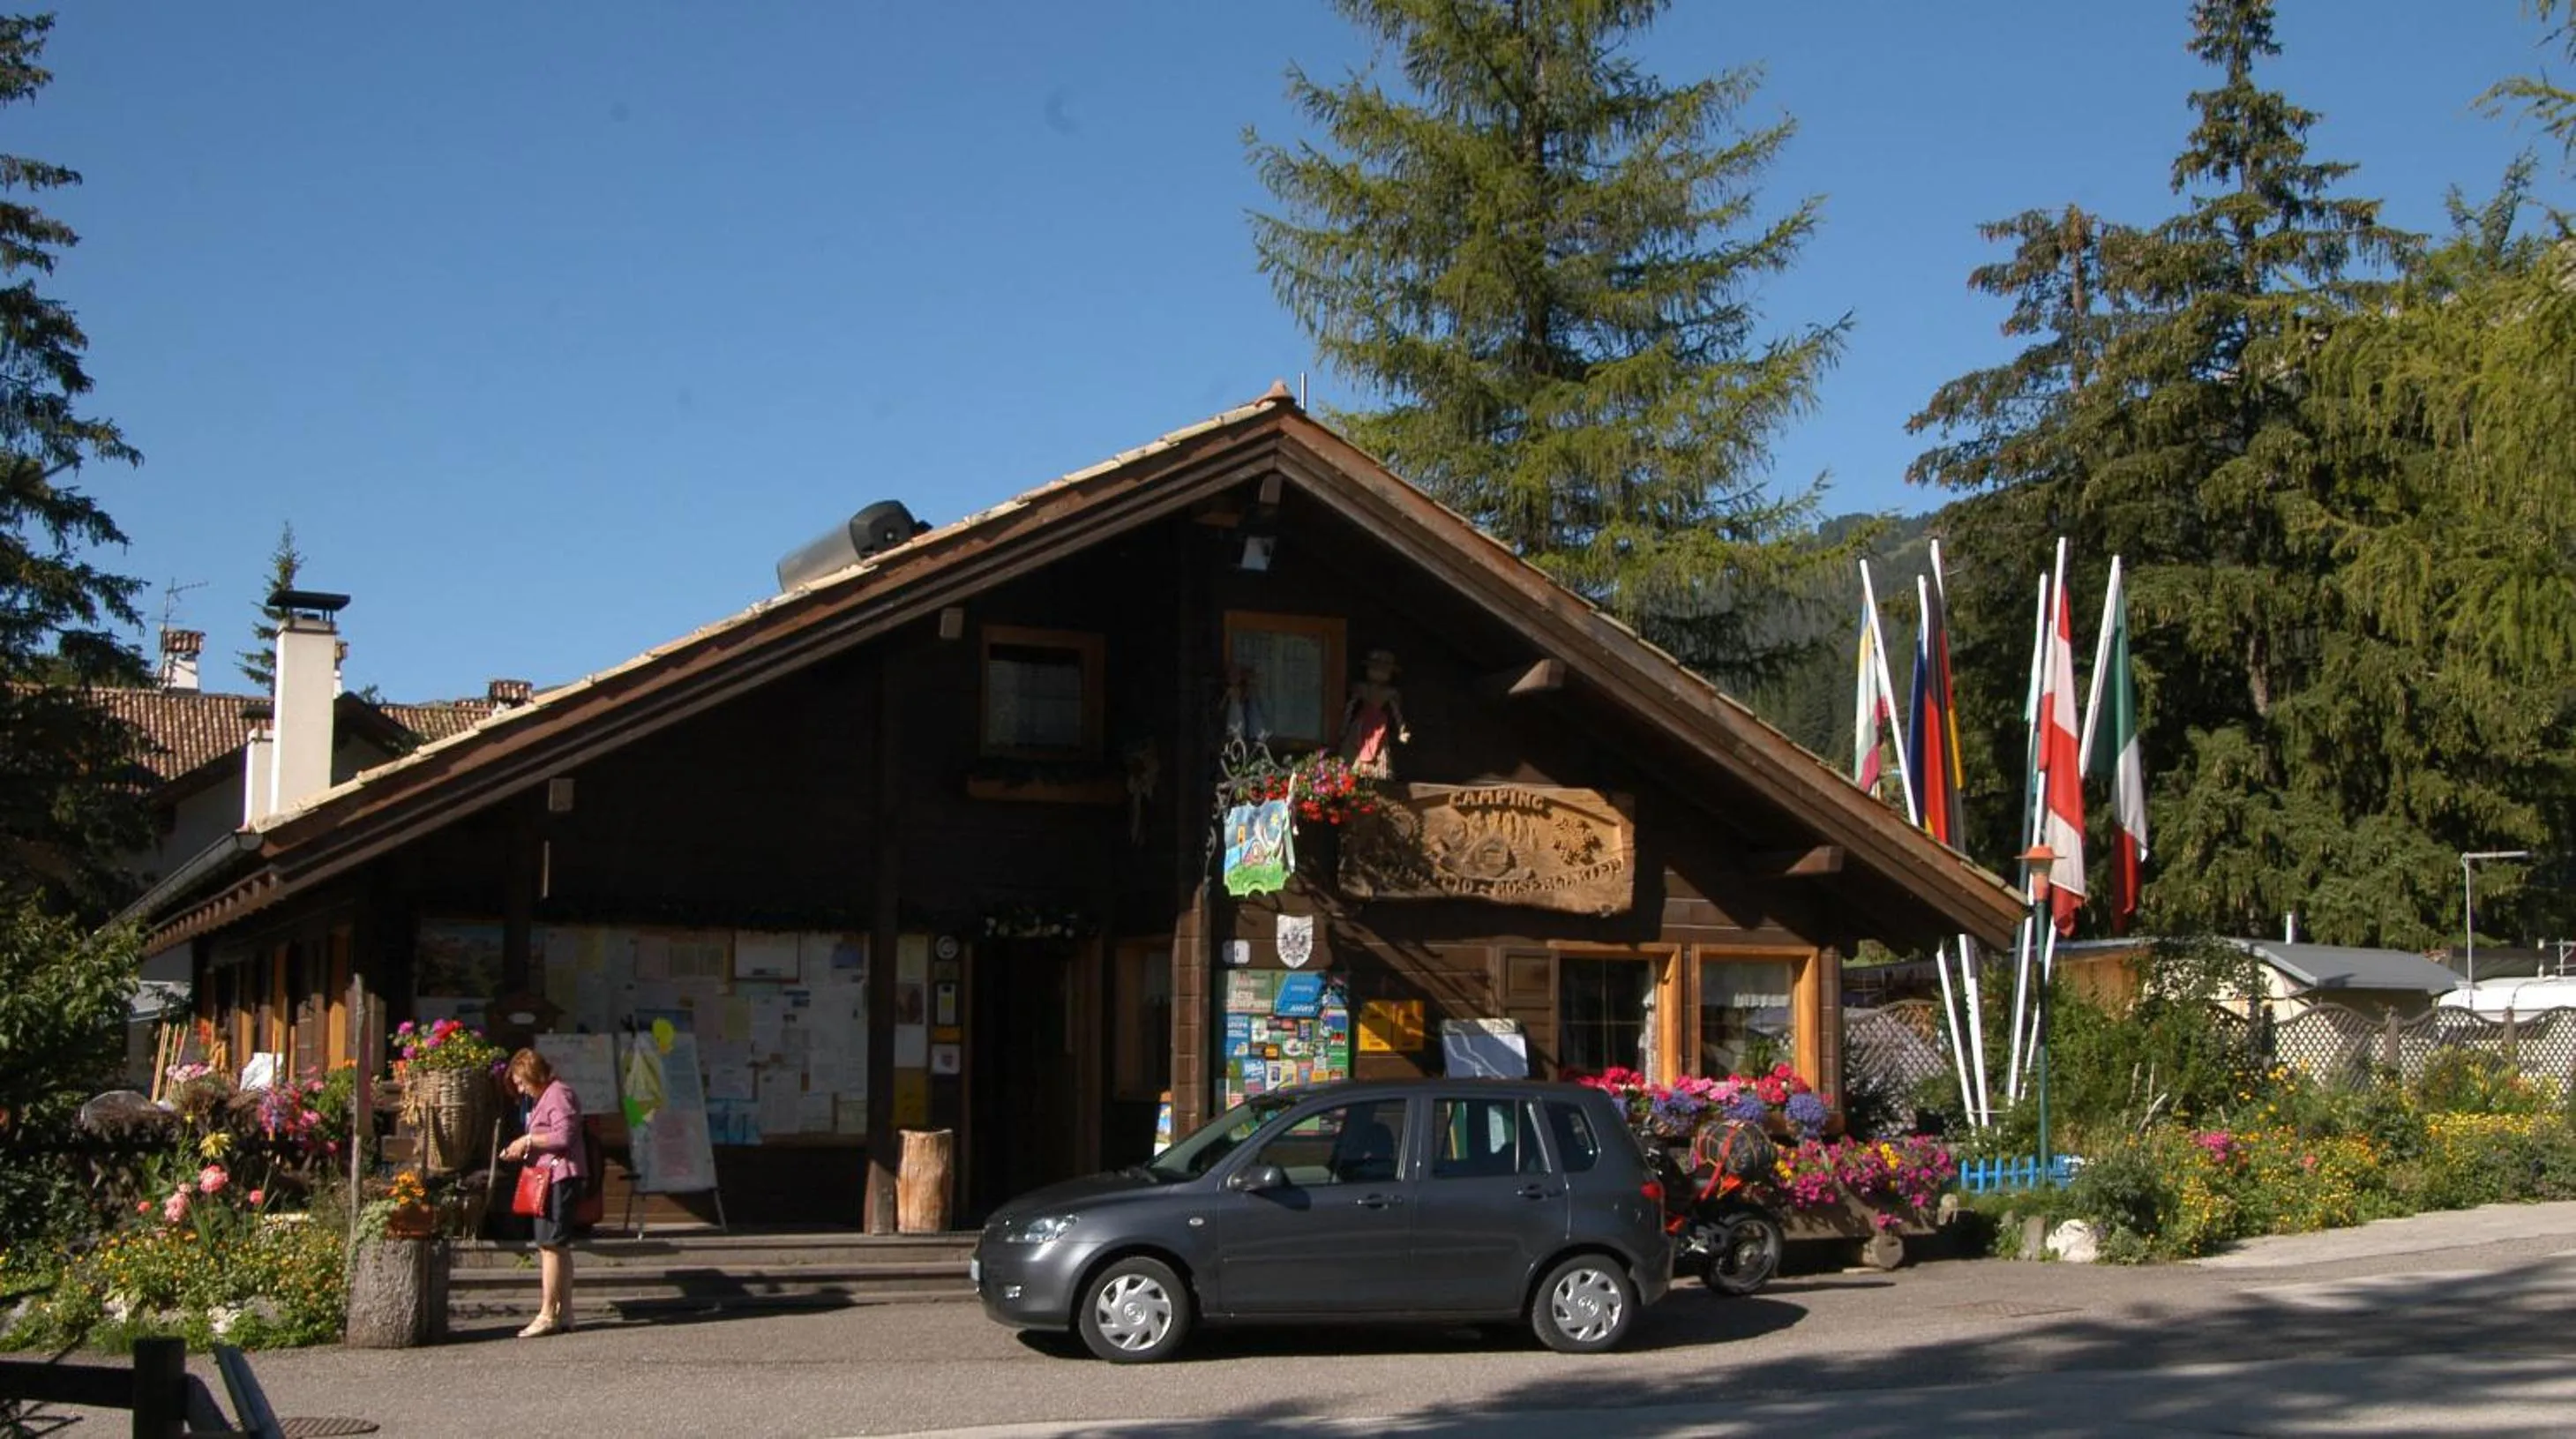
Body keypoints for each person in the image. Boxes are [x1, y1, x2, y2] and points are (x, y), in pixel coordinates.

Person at [501, 1047, 585, 1337]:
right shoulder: (548, 1096)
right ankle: (566, 1313)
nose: (521, 1090)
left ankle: (548, 1312)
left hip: (559, 1176)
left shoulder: (558, 1093)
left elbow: (564, 1136)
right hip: (554, 1175)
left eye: (522, 1082)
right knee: (558, 1245)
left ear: (533, 1075)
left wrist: (527, 1141)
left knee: (549, 1244)